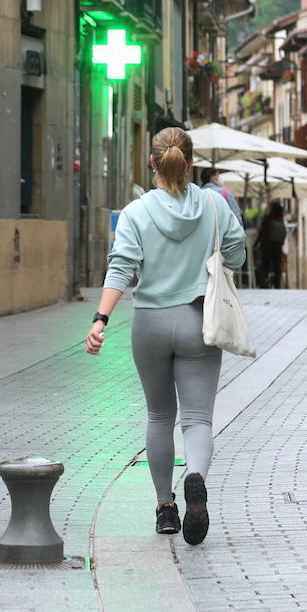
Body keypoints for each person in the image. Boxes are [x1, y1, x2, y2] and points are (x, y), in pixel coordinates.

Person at [86, 127, 246, 546]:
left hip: (151, 323)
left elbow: (120, 267)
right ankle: (195, 477)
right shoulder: (213, 204)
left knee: (160, 416)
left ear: (152, 163)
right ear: (190, 163)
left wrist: (101, 318)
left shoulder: (136, 213)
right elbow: (238, 252)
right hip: (199, 321)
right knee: (197, 420)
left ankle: (165, 508)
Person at [255, 201, 287, 288]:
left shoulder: (268, 218)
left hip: (267, 246)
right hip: (278, 246)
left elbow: (262, 232)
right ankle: (277, 285)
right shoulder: (280, 219)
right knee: (277, 267)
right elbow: (284, 233)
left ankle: (264, 284)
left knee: (266, 265)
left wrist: (256, 243)